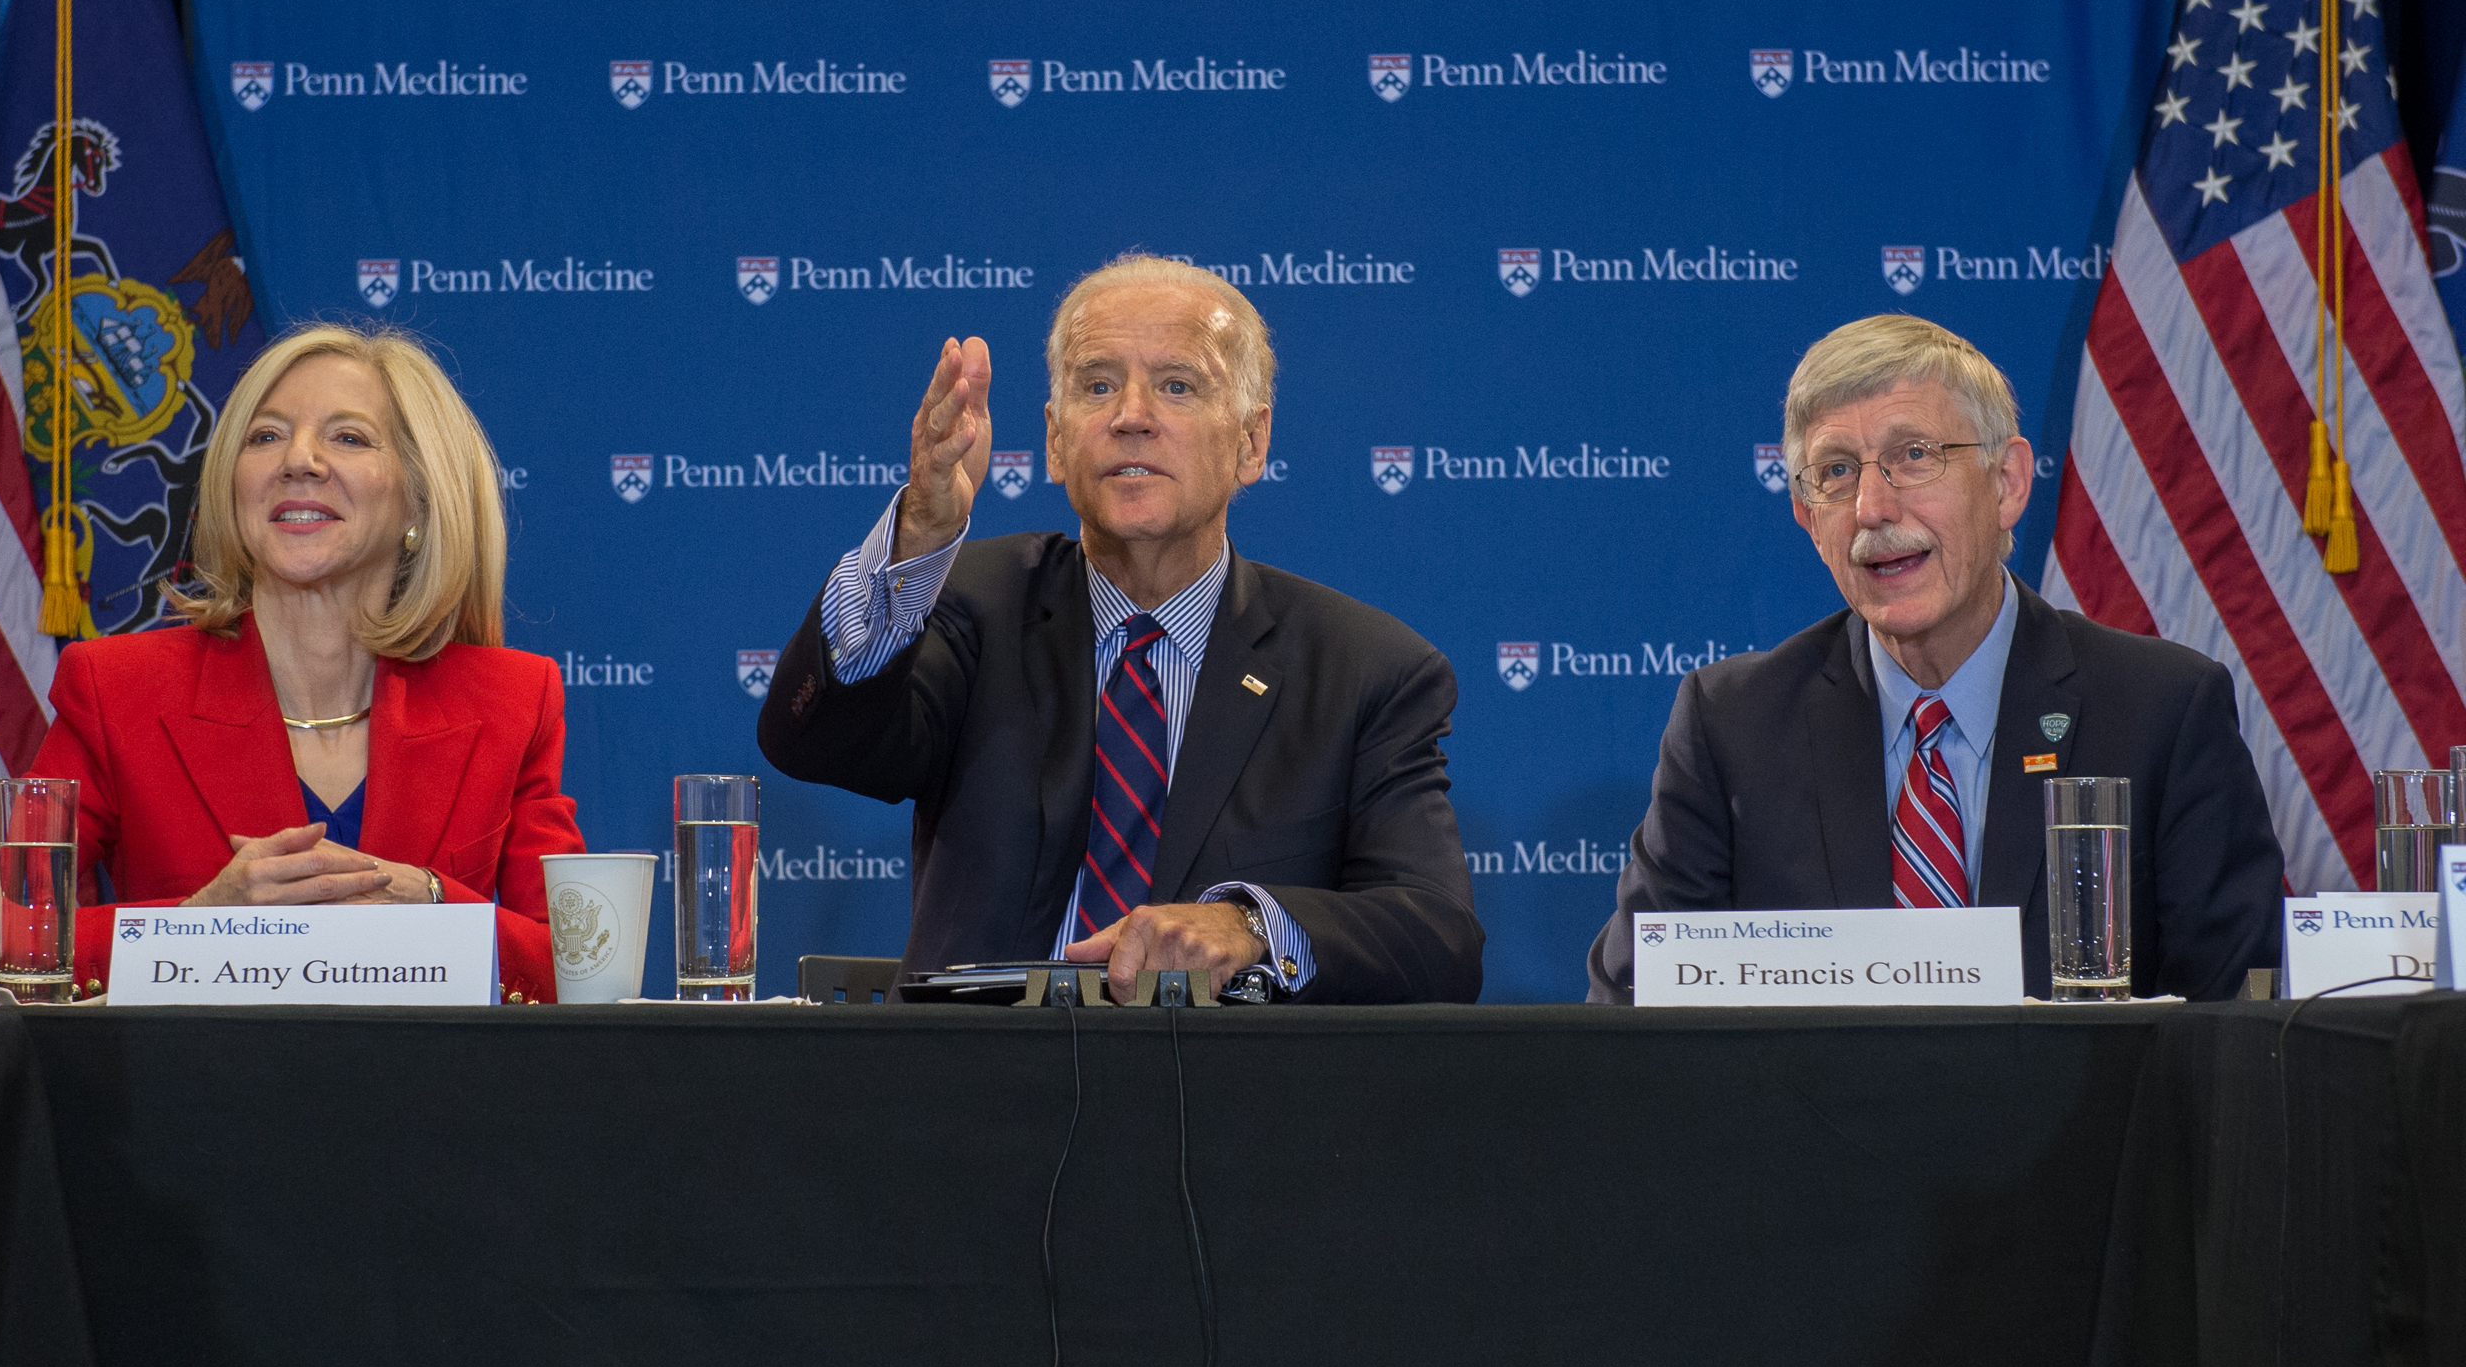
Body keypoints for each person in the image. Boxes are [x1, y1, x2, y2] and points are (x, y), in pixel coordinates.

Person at [758, 254, 1482, 1004]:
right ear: (1055, 440)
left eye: (1177, 386)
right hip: (977, 1094)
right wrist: (917, 536)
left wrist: (1253, 927)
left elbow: (1438, 939)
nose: (1131, 415)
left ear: (1251, 442)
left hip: (1226, 1106)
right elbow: (810, 742)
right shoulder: (970, 603)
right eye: (1097, 385)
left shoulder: (1364, 670)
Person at [1588, 313, 2284, 1002]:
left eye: (1914, 455)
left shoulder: (2162, 711)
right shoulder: (1733, 727)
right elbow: (1634, 1016)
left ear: (2007, 483)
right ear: (1807, 518)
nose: (1871, 506)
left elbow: (2230, 1032)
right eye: (1835, 471)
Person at [0, 324, 584, 1001]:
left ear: (418, 502)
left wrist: (428, 905)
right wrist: (197, 927)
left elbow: (577, 959)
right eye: (266, 436)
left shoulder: (513, 700)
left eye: (349, 437)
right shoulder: (117, 689)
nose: (298, 460)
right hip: (197, 1097)